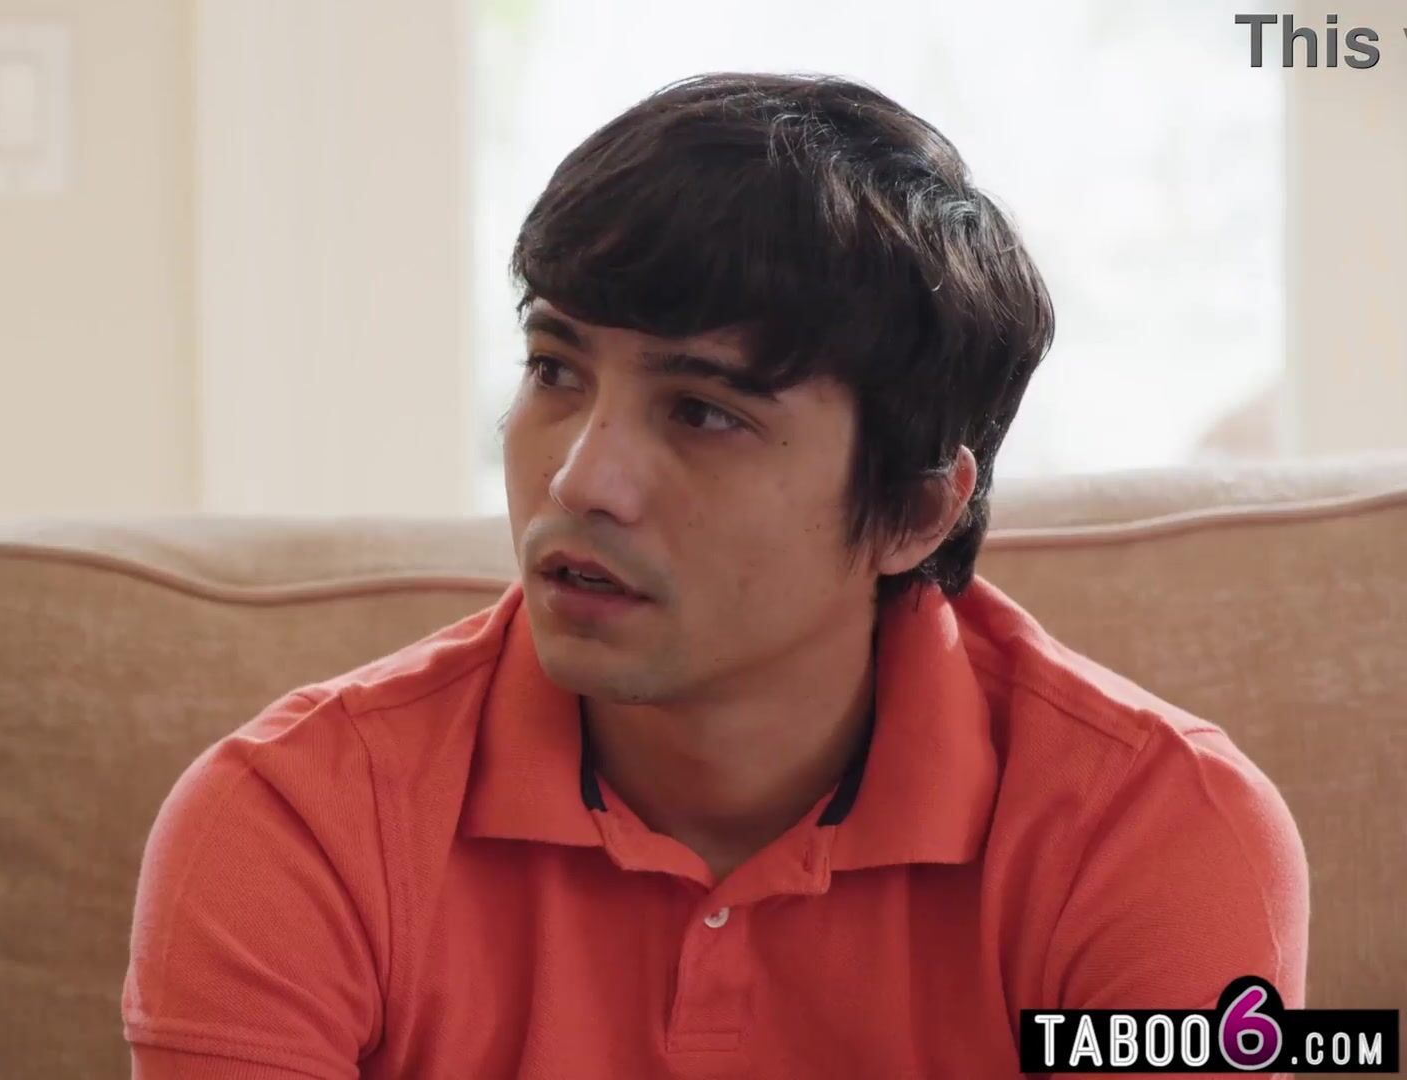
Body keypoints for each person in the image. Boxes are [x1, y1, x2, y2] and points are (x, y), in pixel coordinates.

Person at [121, 72, 1307, 1077]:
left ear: (913, 510)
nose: (582, 478)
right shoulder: (298, 820)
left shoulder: (1158, 833)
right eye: (555, 370)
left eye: (702, 411)